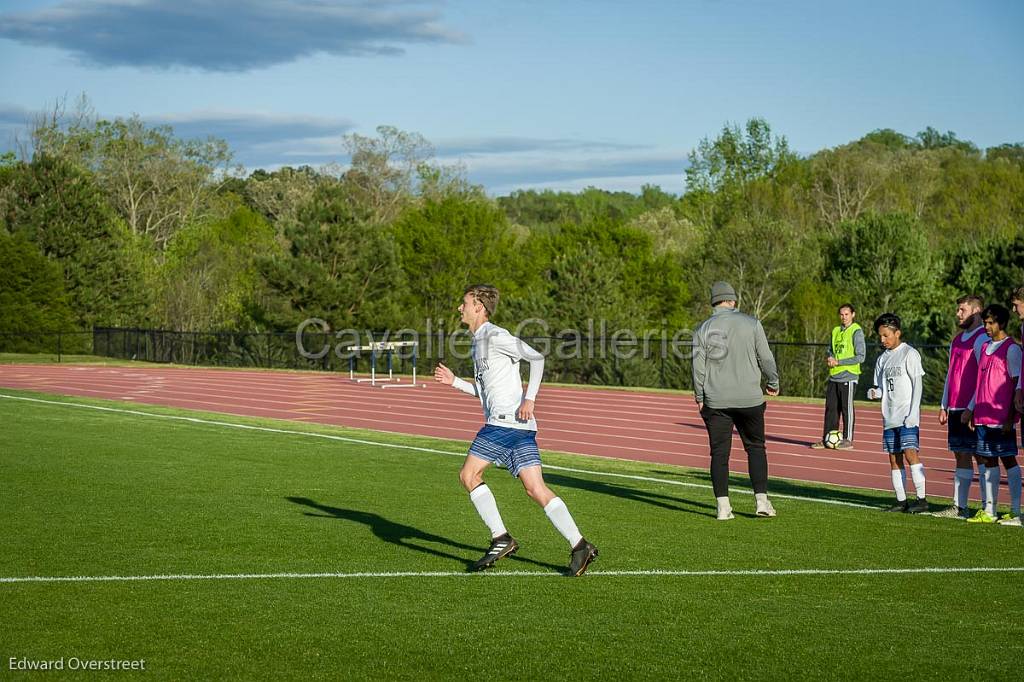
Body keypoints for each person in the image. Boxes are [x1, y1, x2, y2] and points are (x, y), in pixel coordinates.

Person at [433, 284, 599, 575]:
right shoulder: (478, 342)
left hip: (503, 424)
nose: (460, 308)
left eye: (464, 303)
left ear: (479, 307)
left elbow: (537, 357)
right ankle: (579, 545)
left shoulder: (496, 335)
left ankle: (501, 538)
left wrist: (530, 398)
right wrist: (455, 382)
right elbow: (485, 394)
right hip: (518, 427)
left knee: (468, 475)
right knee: (536, 489)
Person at [692, 281, 780, 521]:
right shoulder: (752, 324)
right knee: (755, 448)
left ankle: (723, 506)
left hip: (716, 401)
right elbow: (766, 358)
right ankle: (761, 501)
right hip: (749, 399)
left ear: (714, 302)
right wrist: (773, 382)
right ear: (732, 300)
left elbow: (697, 368)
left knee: (719, 454)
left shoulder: (703, 329)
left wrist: (699, 396)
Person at [963, 304, 1022, 525]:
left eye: (991, 323)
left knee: (1008, 460)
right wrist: (972, 410)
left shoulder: (1012, 349)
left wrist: (1009, 417)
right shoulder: (985, 348)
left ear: (1002, 323)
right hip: (983, 416)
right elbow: (981, 384)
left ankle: (1016, 511)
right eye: (985, 322)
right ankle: (989, 510)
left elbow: (1017, 385)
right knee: (988, 461)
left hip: (1001, 418)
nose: (986, 327)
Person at [931, 295, 990, 519]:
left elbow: (983, 377)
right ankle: (960, 507)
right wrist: (944, 404)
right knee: (960, 455)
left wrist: (972, 407)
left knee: (982, 456)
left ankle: (988, 507)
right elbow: (950, 374)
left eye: (962, 310)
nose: (958, 314)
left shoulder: (982, 338)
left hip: (971, 409)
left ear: (976, 312)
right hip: (955, 408)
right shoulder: (956, 339)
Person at [867, 313, 928, 513]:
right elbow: (882, 387)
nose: (883, 340)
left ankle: (921, 499)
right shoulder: (882, 359)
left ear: (897, 333)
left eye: (886, 335)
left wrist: (913, 413)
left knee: (911, 454)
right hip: (890, 416)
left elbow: (917, 385)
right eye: (880, 336)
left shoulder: (910, 353)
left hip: (906, 416)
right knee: (894, 458)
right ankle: (901, 501)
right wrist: (875, 392)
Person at [811, 303, 865, 449]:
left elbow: (861, 357)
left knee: (847, 409)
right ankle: (827, 438)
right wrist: (830, 357)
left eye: (847, 314)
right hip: (834, 377)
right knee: (831, 410)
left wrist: (839, 361)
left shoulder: (856, 331)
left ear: (853, 315)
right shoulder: (835, 330)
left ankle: (847, 439)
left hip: (849, 376)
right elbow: (830, 349)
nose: (844, 317)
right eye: (841, 314)